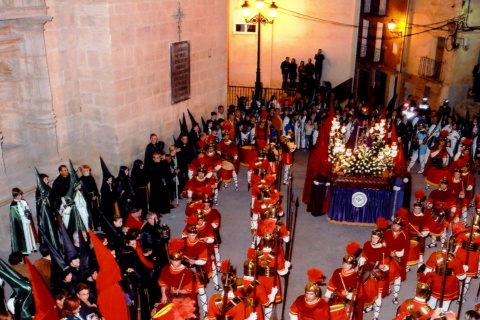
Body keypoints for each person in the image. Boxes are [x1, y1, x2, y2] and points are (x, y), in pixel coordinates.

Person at [358, 219, 390, 320]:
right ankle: (370, 306)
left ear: (380, 239)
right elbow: (363, 257)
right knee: (365, 290)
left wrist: (383, 267)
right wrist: (358, 266)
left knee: (378, 295)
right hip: (367, 269)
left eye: (376, 238)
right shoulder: (367, 245)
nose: (374, 239)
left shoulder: (384, 251)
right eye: (373, 237)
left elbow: (386, 266)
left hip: (378, 274)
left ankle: (376, 316)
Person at [423, 238, 466, 312]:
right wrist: (465, 269)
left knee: (431, 301)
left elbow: (427, 271)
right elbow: (461, 277)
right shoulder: (456, 260)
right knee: (445, 304)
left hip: (435, 282)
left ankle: (429, 315)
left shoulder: (434, 255)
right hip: (449, 285)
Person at [324, 242, 361, 320]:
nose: (345, 265)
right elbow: (332, 284)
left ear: (353, 265)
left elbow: (357, 293)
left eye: (348, 264)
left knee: (347, 316)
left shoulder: (356, 277)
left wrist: (348, 294)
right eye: (344, 263)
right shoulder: (337, 272)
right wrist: (327, 297)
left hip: (348, 301)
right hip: (336, 297)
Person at [383, 213, 409, 305]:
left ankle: (395, 296)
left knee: (397, 277)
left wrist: (395, 254)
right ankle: (387, 289)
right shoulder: (387, 233)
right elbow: (383, 245)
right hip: (386, 257)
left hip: (397, 260)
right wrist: (389, 253)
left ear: (401, 226)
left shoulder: (404, 235)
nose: (395, 226)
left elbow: (404, 250)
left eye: (397, 225)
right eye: (394, 224)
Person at [10, 188, 37, 255]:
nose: (21, 196)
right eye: (19, 195)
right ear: (15, 195)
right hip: (21, 223)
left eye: (21, 194)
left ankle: (31, 247)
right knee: (24, 236)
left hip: (26, 220)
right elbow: (16, 216)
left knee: (29, 233)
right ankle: (26, 250)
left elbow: (27, 209)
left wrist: (27, 211)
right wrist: (24, 219)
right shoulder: (13, 205)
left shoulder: (23, 201)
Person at [78, 165, 100, 230]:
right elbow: (83, 191)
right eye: (87, 171)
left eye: (89, 171)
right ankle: (91, 226)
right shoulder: (81, 180)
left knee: (95, 212)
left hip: (93, 197)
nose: (88, 172)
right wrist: (90, 197)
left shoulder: (91, 177)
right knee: (90, 212)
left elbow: (95, 187)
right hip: (87, 199)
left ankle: (96, 225)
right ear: (83, 172)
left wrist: (95, 195)